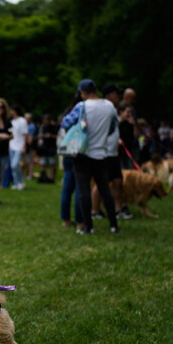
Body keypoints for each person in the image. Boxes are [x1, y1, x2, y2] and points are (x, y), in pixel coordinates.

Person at [61, 79, 120, 234]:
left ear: (83, 92)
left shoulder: (82, 106)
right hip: (101, 154)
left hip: (83, 154)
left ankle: (88, 227)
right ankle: (113, 225)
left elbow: (65, 123)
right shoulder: (109, 106)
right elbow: (113, 126)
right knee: (105, 190)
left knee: (84, 191)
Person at [8, 104, 29, 190]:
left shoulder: (22, 121)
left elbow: (25, 134)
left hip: (19, 146)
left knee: (15, 165)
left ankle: (21, 182)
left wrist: (24, 146)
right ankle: (16, 183)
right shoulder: (12, 121)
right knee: (13, 166)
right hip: (11, 145)